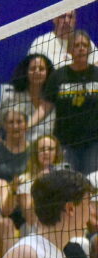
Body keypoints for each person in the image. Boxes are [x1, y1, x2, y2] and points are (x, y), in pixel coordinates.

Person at [40, 31, 98, 175]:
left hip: (93, 142)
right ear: (69, 50)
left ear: (90, 50)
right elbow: (45, 107)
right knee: (67, 185)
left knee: (90, 184)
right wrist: (28, 124)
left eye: (84, 45)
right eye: (77, 45)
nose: (81, 48)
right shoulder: (58, 76)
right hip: (65, 142)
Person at [2, 54, 56, 144]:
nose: (37, 72)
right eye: (33, 69)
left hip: (47, 152)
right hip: (18, 150)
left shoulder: (54, 99)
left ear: (48, 72)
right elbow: (2, 126)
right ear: (25, 72)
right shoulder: (11, 97)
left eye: (41, 69)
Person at [27, 10, 98, 69]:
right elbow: (32, 69)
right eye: (62, 17)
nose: (66, 20)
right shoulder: (40, 43)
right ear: (54, 19)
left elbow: (96, 63)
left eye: (70, 17)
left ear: (75, 20)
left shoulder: (83, 41)